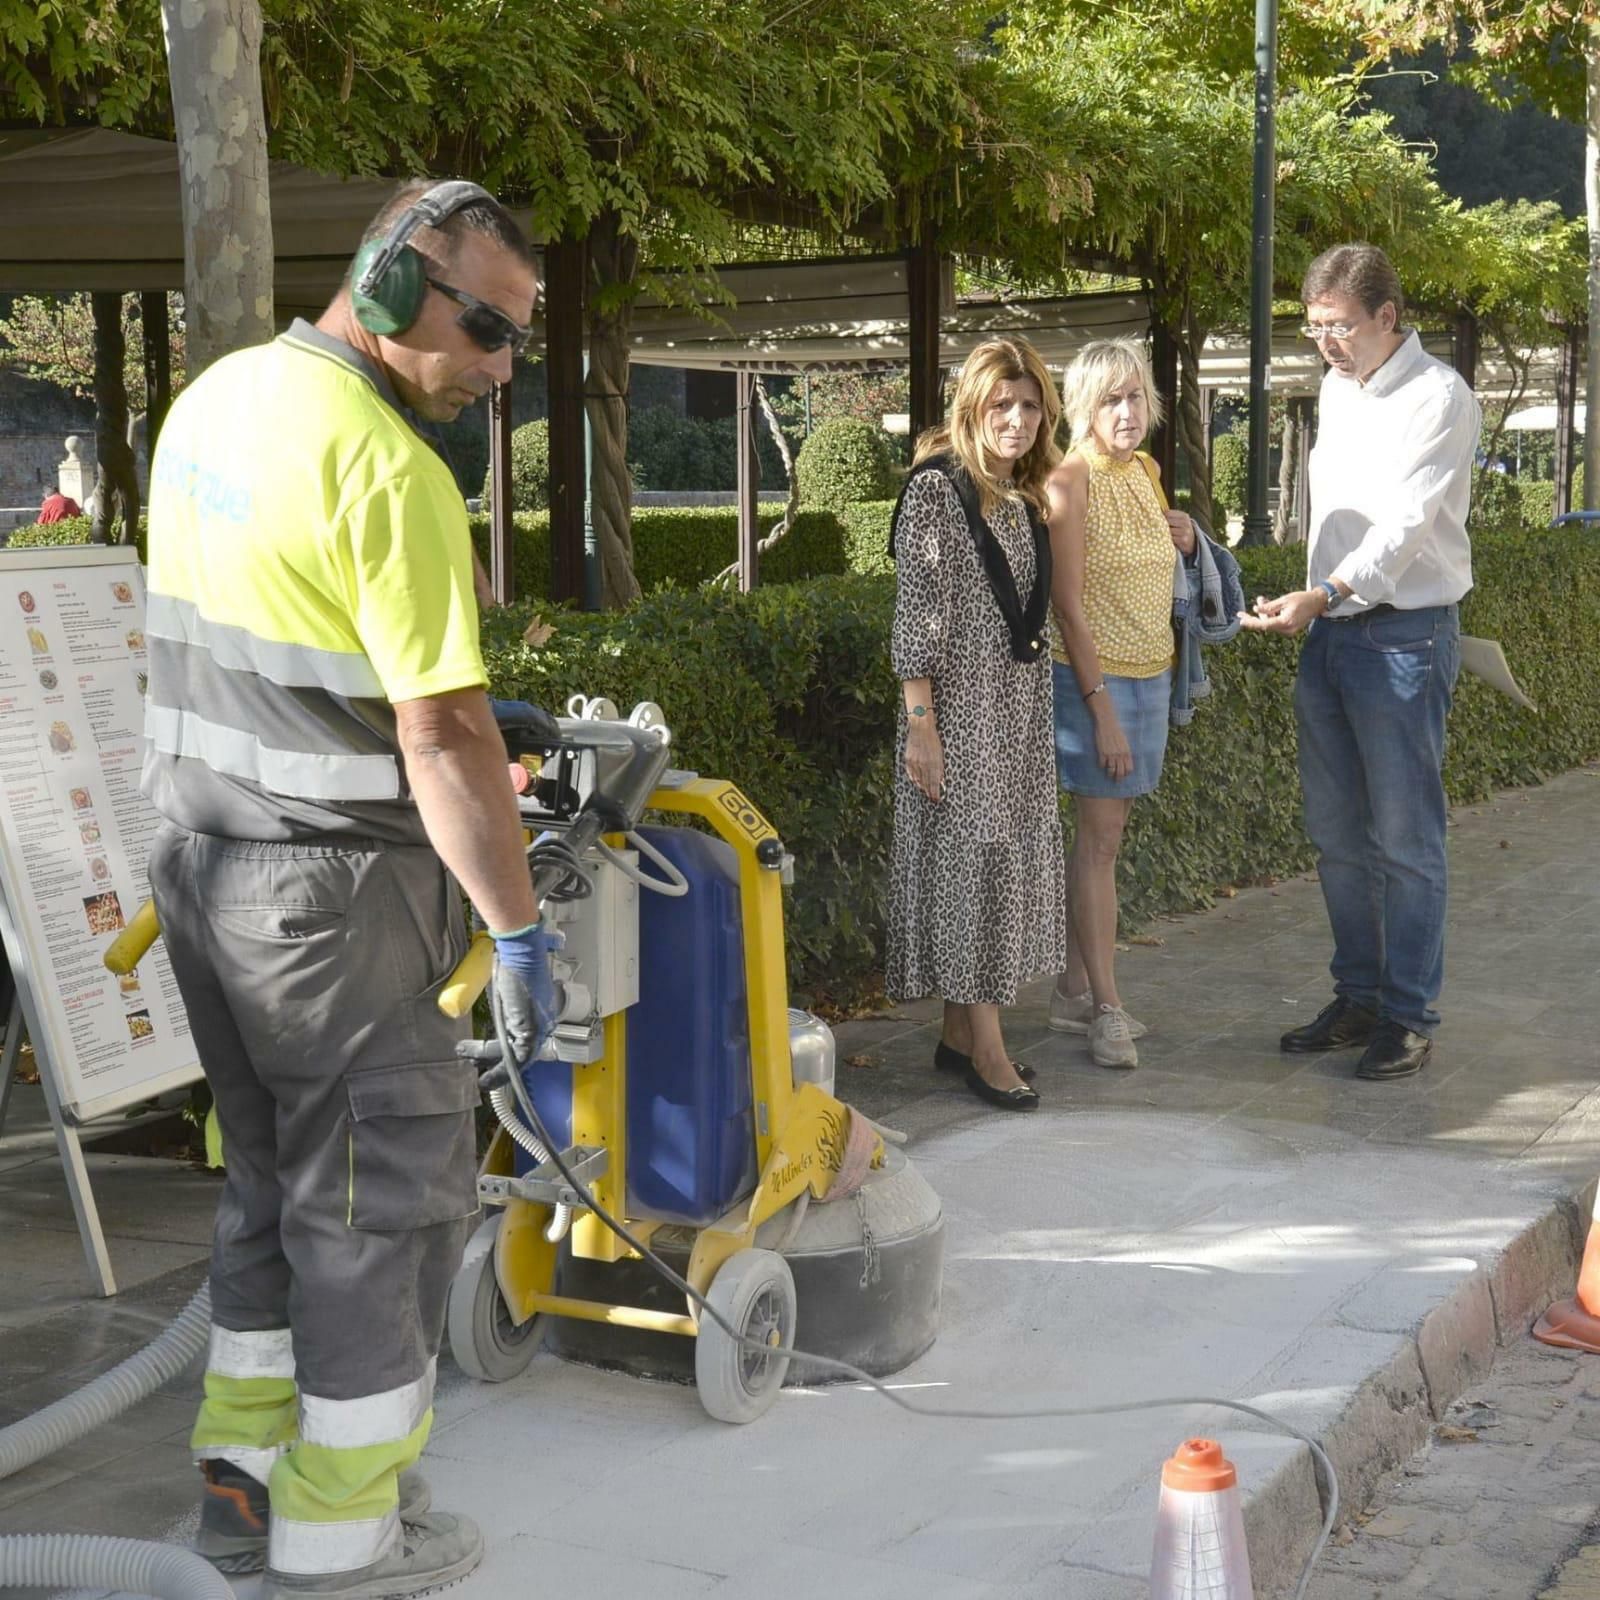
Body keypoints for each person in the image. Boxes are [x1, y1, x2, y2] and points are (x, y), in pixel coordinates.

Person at [142, 179, 557, 1600]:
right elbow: (442, 737)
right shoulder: (390, 470)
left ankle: (241, 1484)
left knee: (271, 1189)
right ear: (391, 287)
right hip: (332, 904)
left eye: (518, 341)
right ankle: (343, 1534)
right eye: (488, 329)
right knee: (381, 1208)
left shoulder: (215, 404)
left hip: (201, 872)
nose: (502, 369)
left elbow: (275, 646)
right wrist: (517, 929)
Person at [1240, 242, 1478, 1081]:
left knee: (1407, 841)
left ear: (1387, 315)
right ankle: (1361, 998)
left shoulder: (1441, 396)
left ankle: (1407, 1015)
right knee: (1339, 839)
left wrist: (1325, 591)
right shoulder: (1337, 390)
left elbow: (1405, 525)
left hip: (1405, 637)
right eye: (1314, 328)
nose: (1326, 344)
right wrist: (1312, 600)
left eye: (1339, 326)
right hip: (1332, 635)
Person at [886, 336, 1069, 1112]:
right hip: (959, 715)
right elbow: (915, 617)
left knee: (997, 864)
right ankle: (989, 1051)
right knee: (977, 871)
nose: (1018, 420)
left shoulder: (1021, 496)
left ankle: (961, 1034)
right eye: (1002, 405)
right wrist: (922, 726)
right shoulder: (937, 491)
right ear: (972, 407)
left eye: (1030, 406)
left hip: (1015, 712)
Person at [1044, 339, 1196, 1070]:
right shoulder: (1068, 481)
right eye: (1111, 399)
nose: (1127, 411)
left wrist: (1187, 536)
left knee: (1105, 840)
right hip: (1094, 682)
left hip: (1151, 674)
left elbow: (1155, 567)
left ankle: (1074, 989)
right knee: (1099, 844)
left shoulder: (1148, 472)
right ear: (1084, 406)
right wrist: (1100, 709)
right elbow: (1067, 606)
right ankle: (1105, 1006)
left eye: (1135, 396)